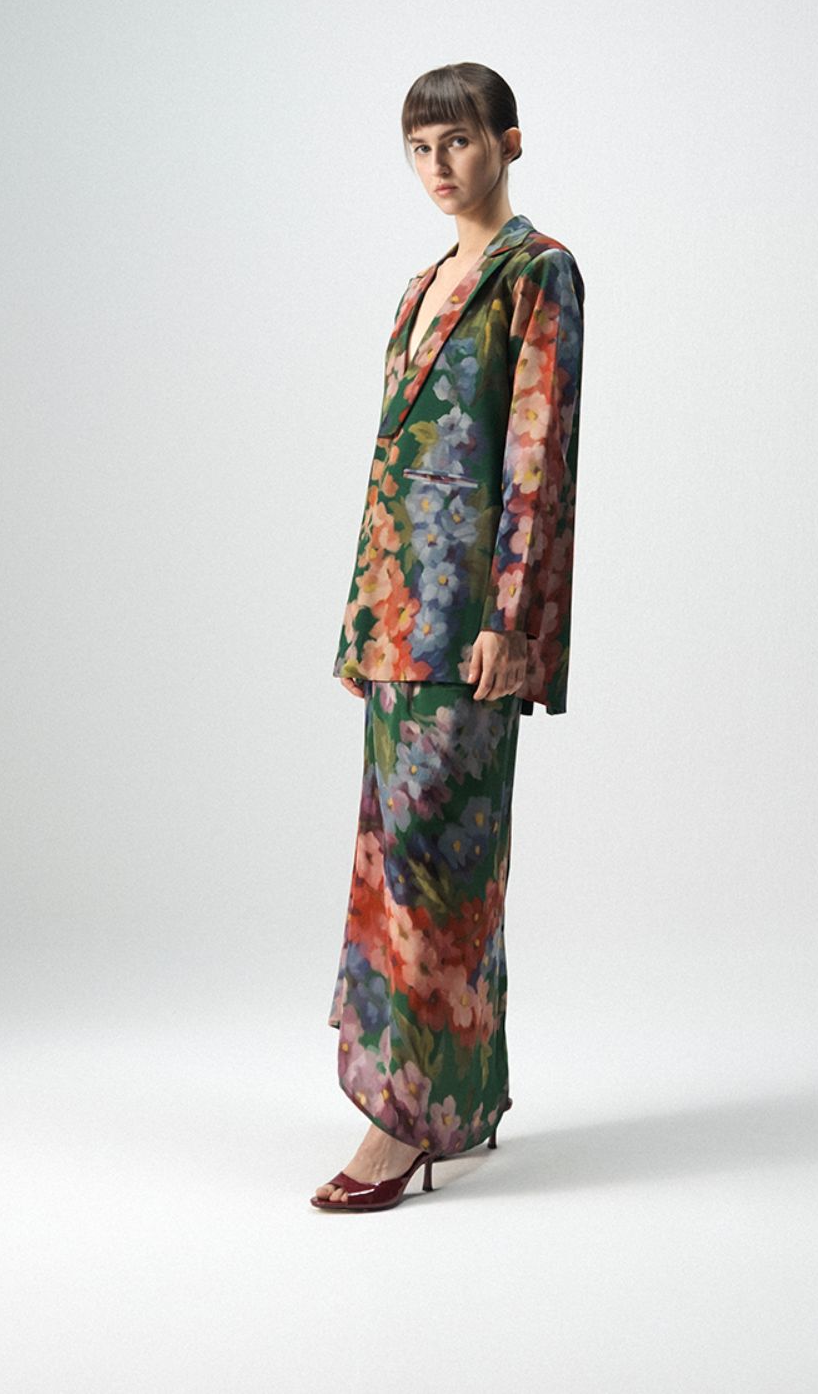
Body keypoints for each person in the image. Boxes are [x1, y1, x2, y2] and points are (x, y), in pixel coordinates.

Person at [312, 61, 585, 1211]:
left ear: (508, 142)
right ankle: (462, 1104)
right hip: (398, 620)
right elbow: (392, 463)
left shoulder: (537, 272)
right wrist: (364, 617)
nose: (437, 165)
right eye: (419, 147)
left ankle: (399, 1123)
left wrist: (512, 621)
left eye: (458, 142)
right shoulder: (420, 285)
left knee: (433, 865)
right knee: (404, 854)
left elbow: (536, 456)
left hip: (471, 622)